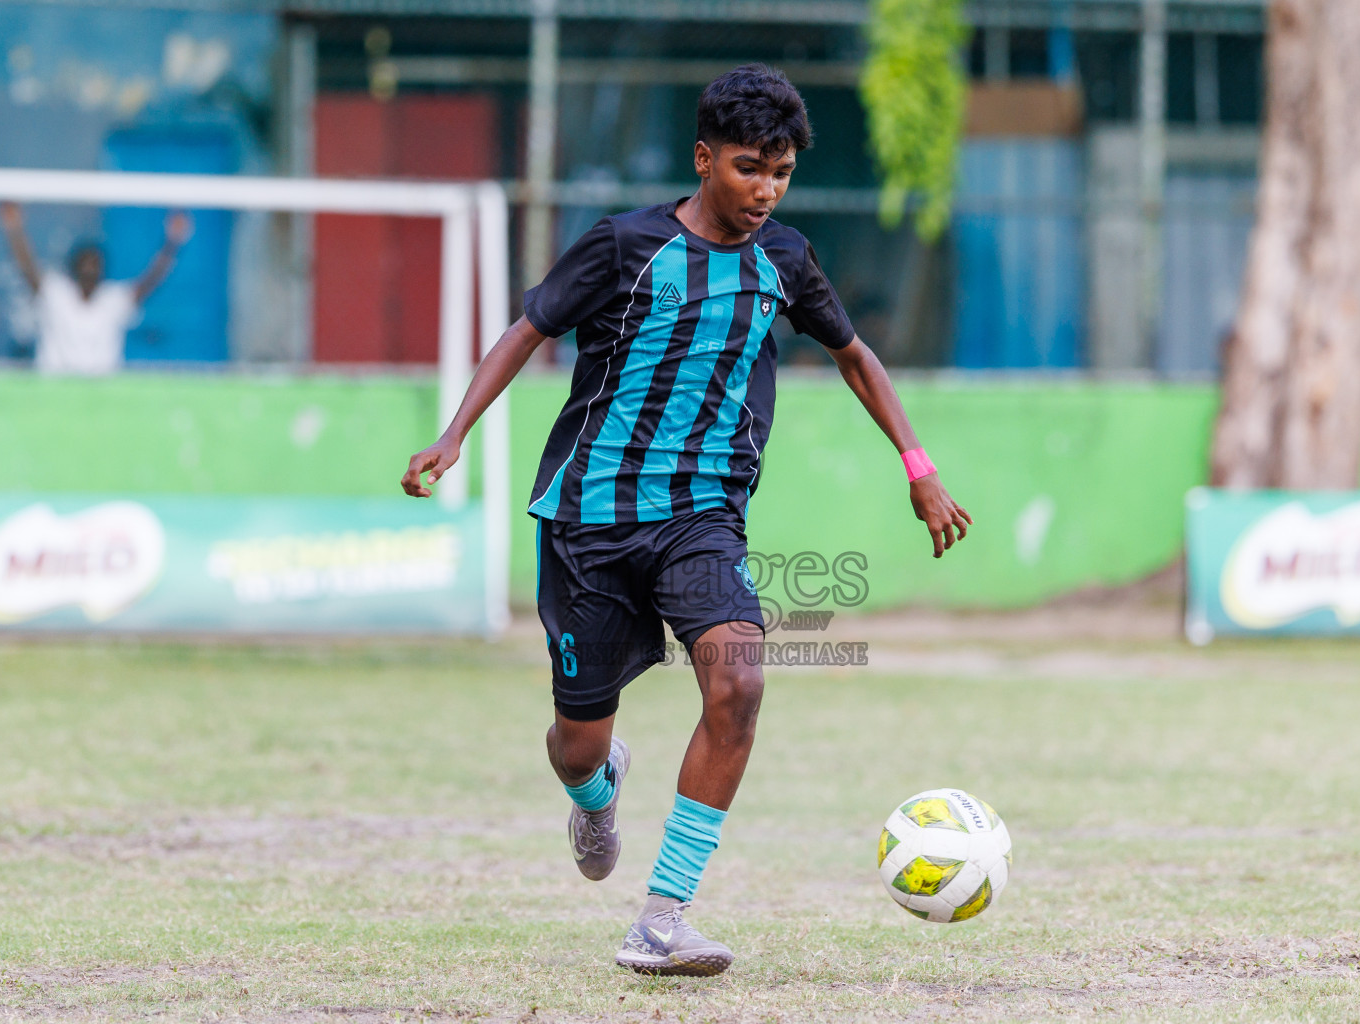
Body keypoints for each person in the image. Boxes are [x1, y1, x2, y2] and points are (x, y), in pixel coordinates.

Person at [400, 64, 973, 976]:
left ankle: (661, 920)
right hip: (592, 521)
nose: (766, 190)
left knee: (739, 686)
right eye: (750, 169)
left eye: (781, 173)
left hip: (702, 520)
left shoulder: (784, 259)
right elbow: (529, 330)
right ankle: (596, 790)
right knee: (576, 741)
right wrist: (454, 433)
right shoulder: (623, 247)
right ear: (704, 159)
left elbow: (855, 356)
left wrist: (920, 468)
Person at [0, 202, 192, 375]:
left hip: (102, 396)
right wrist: (14, 228)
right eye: (85, 268)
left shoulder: (113, 301)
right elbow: (27, 268)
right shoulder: (56, 294)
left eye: (94, 269)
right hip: (54, 391)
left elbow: (150, 281)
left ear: (102, 273)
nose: (89, 274)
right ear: (74, 271)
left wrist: (172, 243)